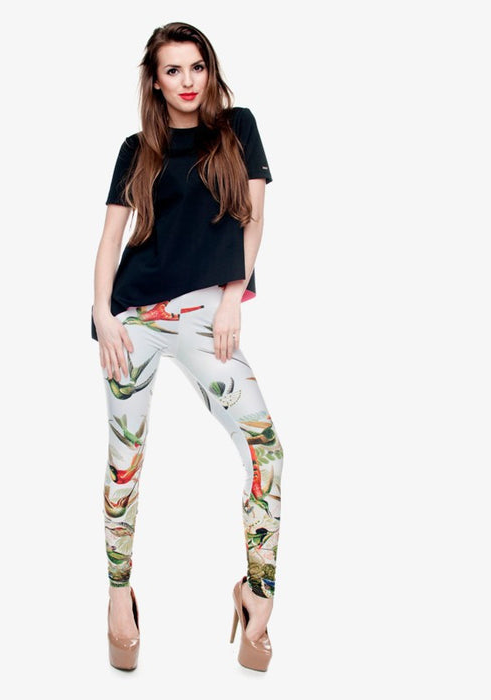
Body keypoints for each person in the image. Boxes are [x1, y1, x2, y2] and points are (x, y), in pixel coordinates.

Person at [91, 21, 283, 672]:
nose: (187, 81)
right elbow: (111, 238)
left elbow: (253, 218)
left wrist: (233, 295)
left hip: (206, 309)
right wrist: (102, 314)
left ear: (210, 69)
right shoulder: (136, 150)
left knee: (264, 450)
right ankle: (119, 598)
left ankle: (258, 594)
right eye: (173, 70)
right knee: (125, 459)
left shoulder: (237, 129)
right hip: (134, 317)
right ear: (155, 81)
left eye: (196, 66)